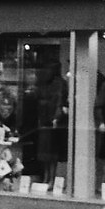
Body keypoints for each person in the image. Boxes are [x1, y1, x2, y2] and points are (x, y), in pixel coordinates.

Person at [37, 61, 69, 189]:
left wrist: (56, 118)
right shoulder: (47, 83)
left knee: (51, 153)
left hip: (54, 123)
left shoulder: (60, 84)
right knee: (46, 153)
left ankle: (51, 178)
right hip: (46, 120)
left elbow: (60, 102)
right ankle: (46, 177)